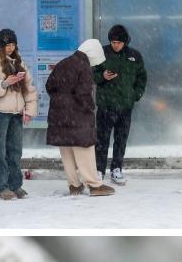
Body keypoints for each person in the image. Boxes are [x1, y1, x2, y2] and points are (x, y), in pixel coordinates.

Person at [44, 38, 114, 197]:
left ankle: (74, 185)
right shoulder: (83, 67)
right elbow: (83, 94)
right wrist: (90, 107)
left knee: (67, 150)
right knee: (85, 149)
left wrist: (61, 100)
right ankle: (94, 185)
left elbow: (49, 85)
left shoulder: (64, 63)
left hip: (59, 115)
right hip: (77, 115)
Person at [0, 27, 37, 201]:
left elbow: (29, 89)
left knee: (15, 151)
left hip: (16, 113)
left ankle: (15, 185)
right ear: (0, 46)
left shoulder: (19, 62)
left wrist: (30, 111)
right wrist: (5, 84)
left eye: (12, 44)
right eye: (7, 45)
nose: (10, 48)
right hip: (0, 113)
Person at [93, 23, 146, 185]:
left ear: (125, 42)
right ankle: (99, 169)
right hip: (105, 105)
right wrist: (102, 76)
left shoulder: (134, 56)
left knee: (121, 139)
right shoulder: (101, 53)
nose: (115, 45)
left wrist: (135, 95)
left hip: (125, 106)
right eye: (113, 42)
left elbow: (141, 78)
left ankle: (117, 168)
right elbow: (91, 74)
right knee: (102, 139)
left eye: (118, 42)